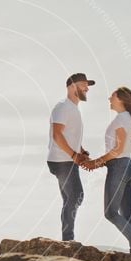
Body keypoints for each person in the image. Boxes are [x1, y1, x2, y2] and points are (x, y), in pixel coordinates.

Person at [81, 87, 131, 255]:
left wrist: (96, 162)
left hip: (119, 166)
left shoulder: (121, 119)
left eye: (112, 96)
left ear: (120, 99)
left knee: (110, 212)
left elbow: (117, 150)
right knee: (126, 213)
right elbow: (119, 150)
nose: (109, 98)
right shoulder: (127, 118)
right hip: (127, 165)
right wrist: (98, 163)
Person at [46, 73, 96, 241]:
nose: (87, 88)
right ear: (72, 86)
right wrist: (74, 155)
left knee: (70, 198)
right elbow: (57, 135)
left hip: (66, 159)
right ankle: (68, 239)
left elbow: (70, 135)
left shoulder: (74, 108)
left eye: (87, 86)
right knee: (76, 196)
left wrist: (81, 151)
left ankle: (67, 239)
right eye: (83, 85)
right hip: (62, 160)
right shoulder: (63, 107)